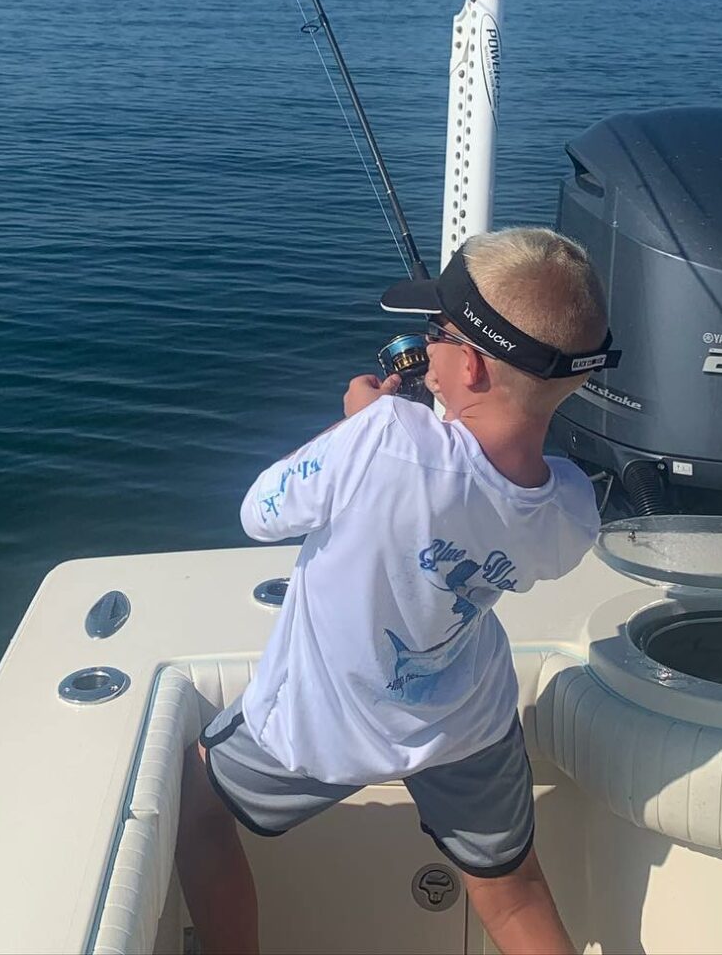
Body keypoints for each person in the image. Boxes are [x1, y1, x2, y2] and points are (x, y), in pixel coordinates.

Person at [175, 227, 620, 954]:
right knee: (513, 900)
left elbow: (259, 512)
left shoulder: (383, 436)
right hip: (469, 728)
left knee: (197, 802)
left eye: (433, 333)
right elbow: (479, 491)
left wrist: (359, 419)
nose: (424, 345)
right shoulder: (571, 511)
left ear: (468, 367)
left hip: (322, 728)